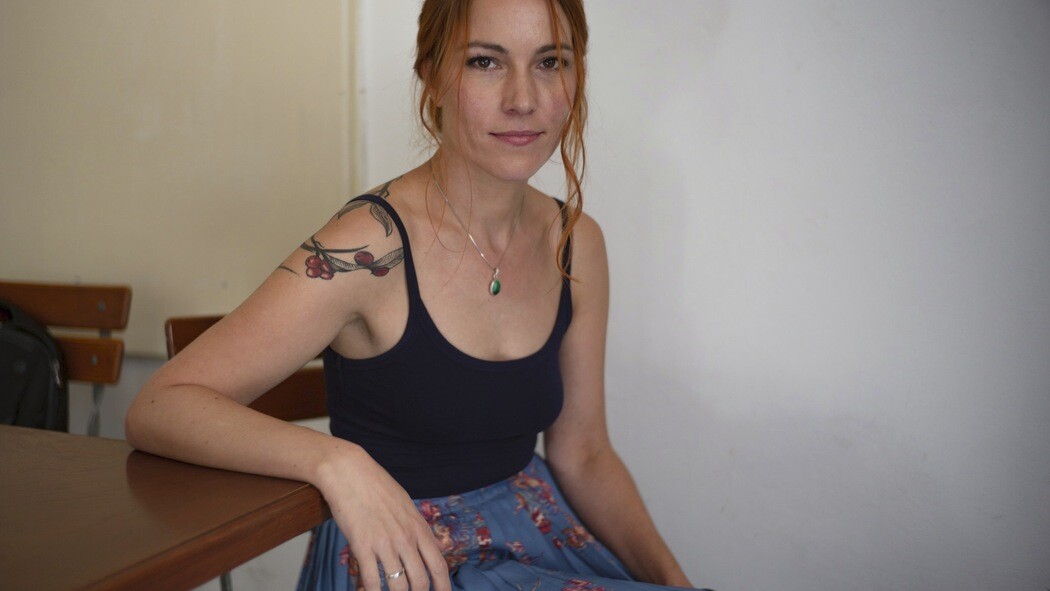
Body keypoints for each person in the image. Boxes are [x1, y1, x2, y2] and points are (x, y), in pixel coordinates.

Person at [126, 0, 699, 589]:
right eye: (485, 61)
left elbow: (584, 454)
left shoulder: (575, 241)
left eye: (550, 62)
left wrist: (677, 580)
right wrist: (335, 462)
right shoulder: (366, 248)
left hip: (535, 537)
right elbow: (161, 405)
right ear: (432, 74)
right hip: (404, 561)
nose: (523, 99)